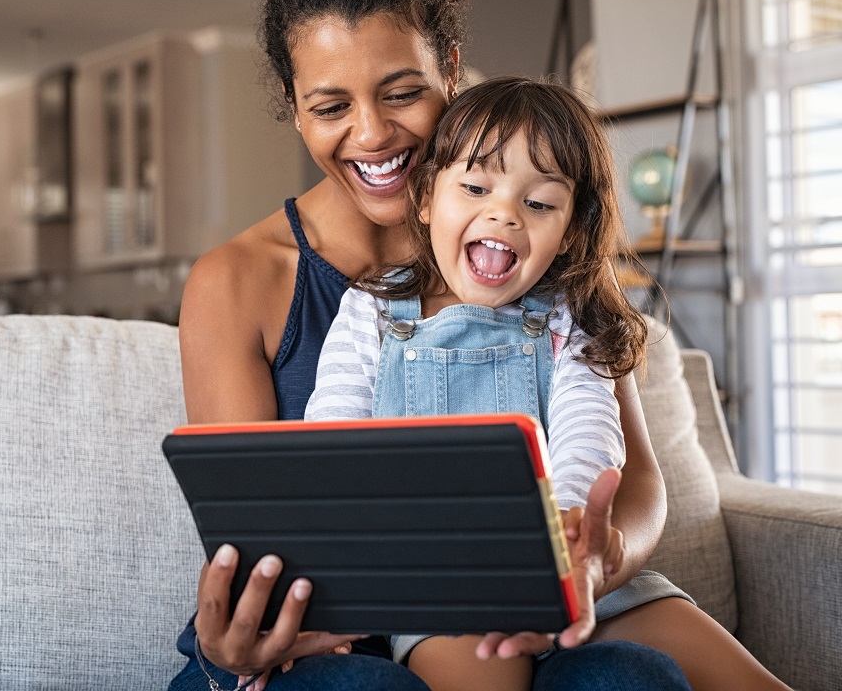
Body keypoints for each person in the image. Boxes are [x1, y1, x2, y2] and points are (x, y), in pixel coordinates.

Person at [170, 0, 693, 689]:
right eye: (330, 106)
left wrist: (588, 565)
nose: (373, 134)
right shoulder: (240, 280)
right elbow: (261, 531)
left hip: (538, 592)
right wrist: (234, 645)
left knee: (630, 677)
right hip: (336, 632)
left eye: (402, 92)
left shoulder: (516, 246)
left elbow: (637, 482)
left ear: (450, 68)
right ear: (295, 111)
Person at [304, 76, 793, 691]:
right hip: (448, 592)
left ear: (568, 229)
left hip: (580, 575)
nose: (504, 212)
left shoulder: (571, 315)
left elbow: (588, 426)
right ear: (426, 196)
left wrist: (566, 543)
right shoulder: (371, 311)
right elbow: (331, 445)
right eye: (476, 187)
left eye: (539, 203)